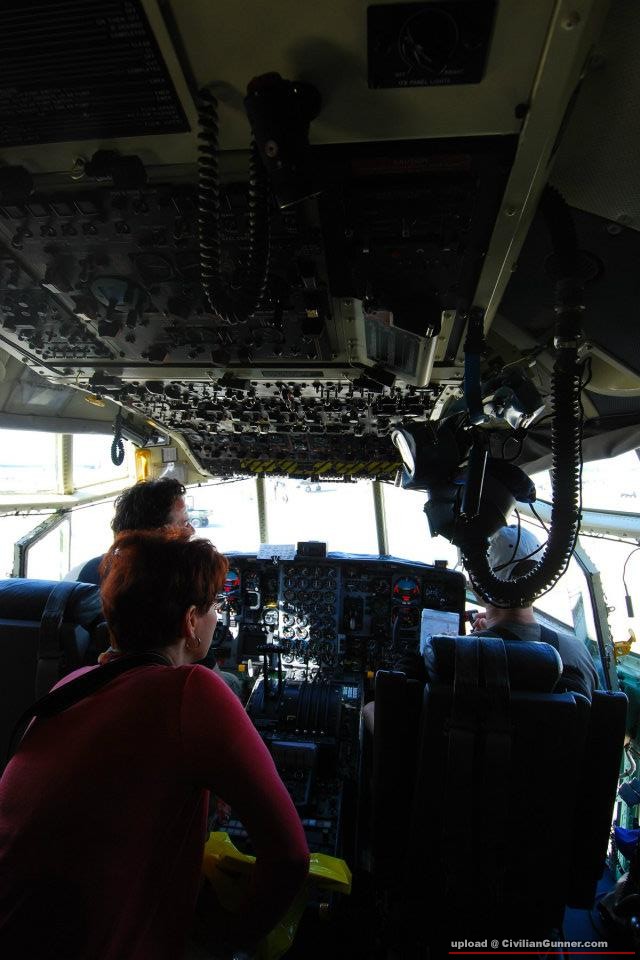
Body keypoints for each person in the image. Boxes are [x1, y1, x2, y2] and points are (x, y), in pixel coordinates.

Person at [0, 528, 309, 960]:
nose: (218, 616)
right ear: (190, 622)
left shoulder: (70, 684)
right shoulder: (193, 689)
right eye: (214, 606)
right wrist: (232, 940)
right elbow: (291, 857)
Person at [363, 523, 598, 734]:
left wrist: (369, 706)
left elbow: (388, 730)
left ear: (478, 581)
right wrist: (489, 639)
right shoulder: (578, 654)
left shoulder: (446, 657)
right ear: (540, 577)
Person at [67, 478, 242, 695]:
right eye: (184, 523)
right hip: (161, 691)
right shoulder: (177, 584)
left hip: (99, 687)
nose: (191, 530)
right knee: (232, 683)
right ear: (163, 534)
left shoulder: (85, 572)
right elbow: (208, 674)